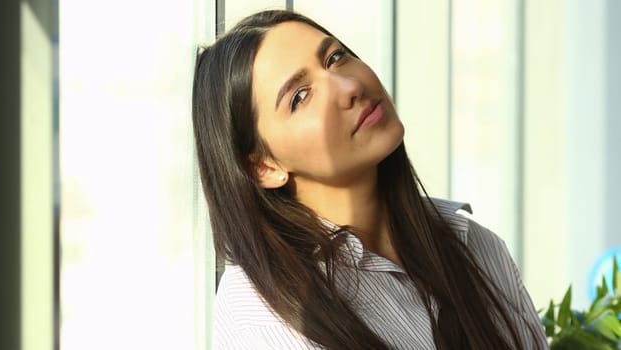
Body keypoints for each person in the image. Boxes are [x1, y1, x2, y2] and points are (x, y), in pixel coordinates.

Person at [192, 10, 546, 349]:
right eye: (300, 97)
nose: (349, 86)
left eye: (335, 58)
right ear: (264, 168)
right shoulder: (263, 312)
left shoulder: (474, 247)